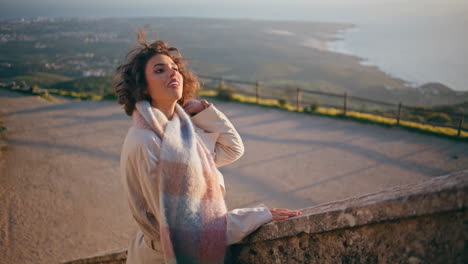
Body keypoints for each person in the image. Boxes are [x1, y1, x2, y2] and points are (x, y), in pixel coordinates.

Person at [115, 32, 301, 264]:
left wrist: (203, 110)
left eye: (174, 67)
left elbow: (232, 148)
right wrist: (257, 216)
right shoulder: (147, 142)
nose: (173, 72)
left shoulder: (180, 130)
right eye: (159, 70)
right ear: (142, 88)